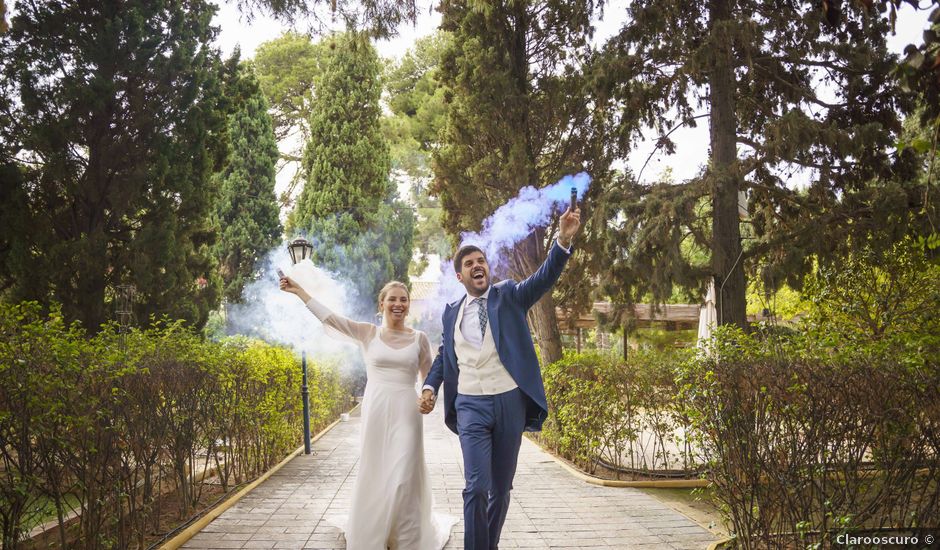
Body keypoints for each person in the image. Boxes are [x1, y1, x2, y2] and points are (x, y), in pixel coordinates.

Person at [418, 205, 582, 550]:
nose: (477, 265)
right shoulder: (451, 313)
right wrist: (431, 386)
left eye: (481, 261)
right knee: (476, 486)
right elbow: (446, 355)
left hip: (509, 402)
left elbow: (543, 278)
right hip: (471, 406)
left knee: (501, 488)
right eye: (469, 263)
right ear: (460, 277)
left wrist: (562, 240)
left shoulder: (508, 295)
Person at [280, 277, 455, 550]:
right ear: (382, 303)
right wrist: (301, 292)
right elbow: (331, 318)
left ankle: (406, 537)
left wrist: (428, 398)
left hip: (406, 413)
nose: (398, 304)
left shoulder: (420, 339)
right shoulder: (367, 333)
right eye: (393, 299)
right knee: (376, 469)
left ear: (408, 306)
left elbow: (428, 379)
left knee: (405, 473)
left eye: (403, 299)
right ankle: (375, 533)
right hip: (375, 410)